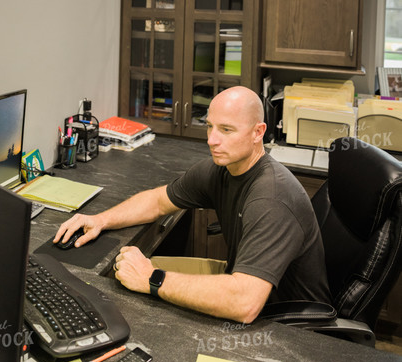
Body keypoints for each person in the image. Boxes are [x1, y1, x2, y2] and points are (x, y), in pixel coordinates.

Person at [54, 86, 330, 323]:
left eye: (226, 130)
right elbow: (159, 201)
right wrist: (100, 220)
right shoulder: (224, 167)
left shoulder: (271, 197)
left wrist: (152, 278)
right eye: (210, 126)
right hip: (240, 280)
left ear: (258, 132)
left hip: (282, 321)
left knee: (138, 296)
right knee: (120, 274)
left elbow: (244, 304)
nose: (212, 140)